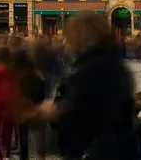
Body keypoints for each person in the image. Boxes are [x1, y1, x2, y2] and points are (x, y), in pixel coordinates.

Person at [34, 12, 134, 160]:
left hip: (89, 151)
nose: (69, 41)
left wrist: (54, 111)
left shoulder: (90, 68)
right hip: (117, 149)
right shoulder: (116, 64)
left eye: (73, 35)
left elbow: (78, 113)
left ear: (83, 36)